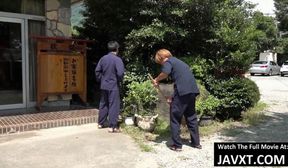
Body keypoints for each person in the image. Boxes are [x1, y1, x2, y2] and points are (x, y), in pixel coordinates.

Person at [152, 49, 201, 151]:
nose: (161, 64)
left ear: (161, 57)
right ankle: (196, 143)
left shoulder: (168, 61)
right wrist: (173, 97)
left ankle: (177, 145)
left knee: (175, 117)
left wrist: (156, 79)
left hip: (182, 91)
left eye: (159, 61)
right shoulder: (180, 62)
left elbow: (165, 73)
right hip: (192, 91)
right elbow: (181, 80)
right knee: (191, 117)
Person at [95, 41, 125, 133]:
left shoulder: (103, 58)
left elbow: (97, 71)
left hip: (104, 85)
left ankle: (100, 123)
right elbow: (120, 73)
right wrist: (118, 80)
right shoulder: (117, 60)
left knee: (103, 103)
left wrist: (102, 80)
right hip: (113, 85)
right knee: (113, 105)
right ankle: (112, 126)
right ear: (116, 49)